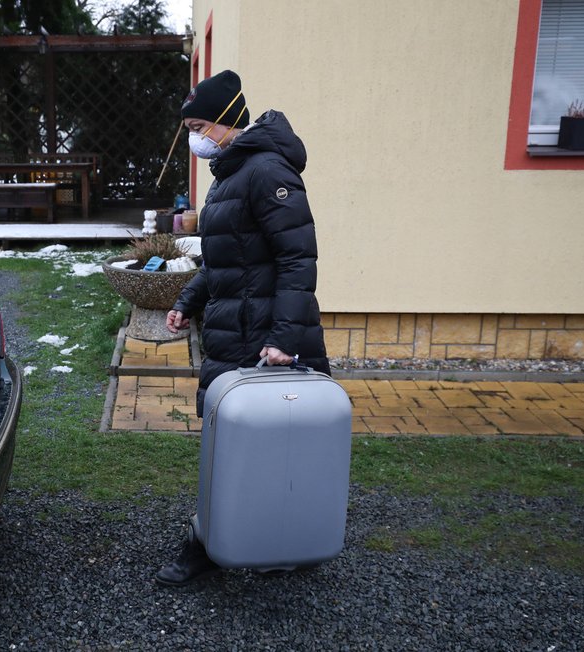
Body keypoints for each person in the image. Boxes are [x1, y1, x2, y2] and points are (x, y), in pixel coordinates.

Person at [156, 69, 331, 587]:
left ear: (228, 119)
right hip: (232, 333)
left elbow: (298, 259)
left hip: (266, 342)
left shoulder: (266, 171)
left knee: (271, 450)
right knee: (226, 444)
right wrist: (188, 301)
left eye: (199, 124)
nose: (195, 137)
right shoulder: (230, 174)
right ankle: (222, 541)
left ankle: (265, 543)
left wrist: (281, 339)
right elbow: (225, 259)